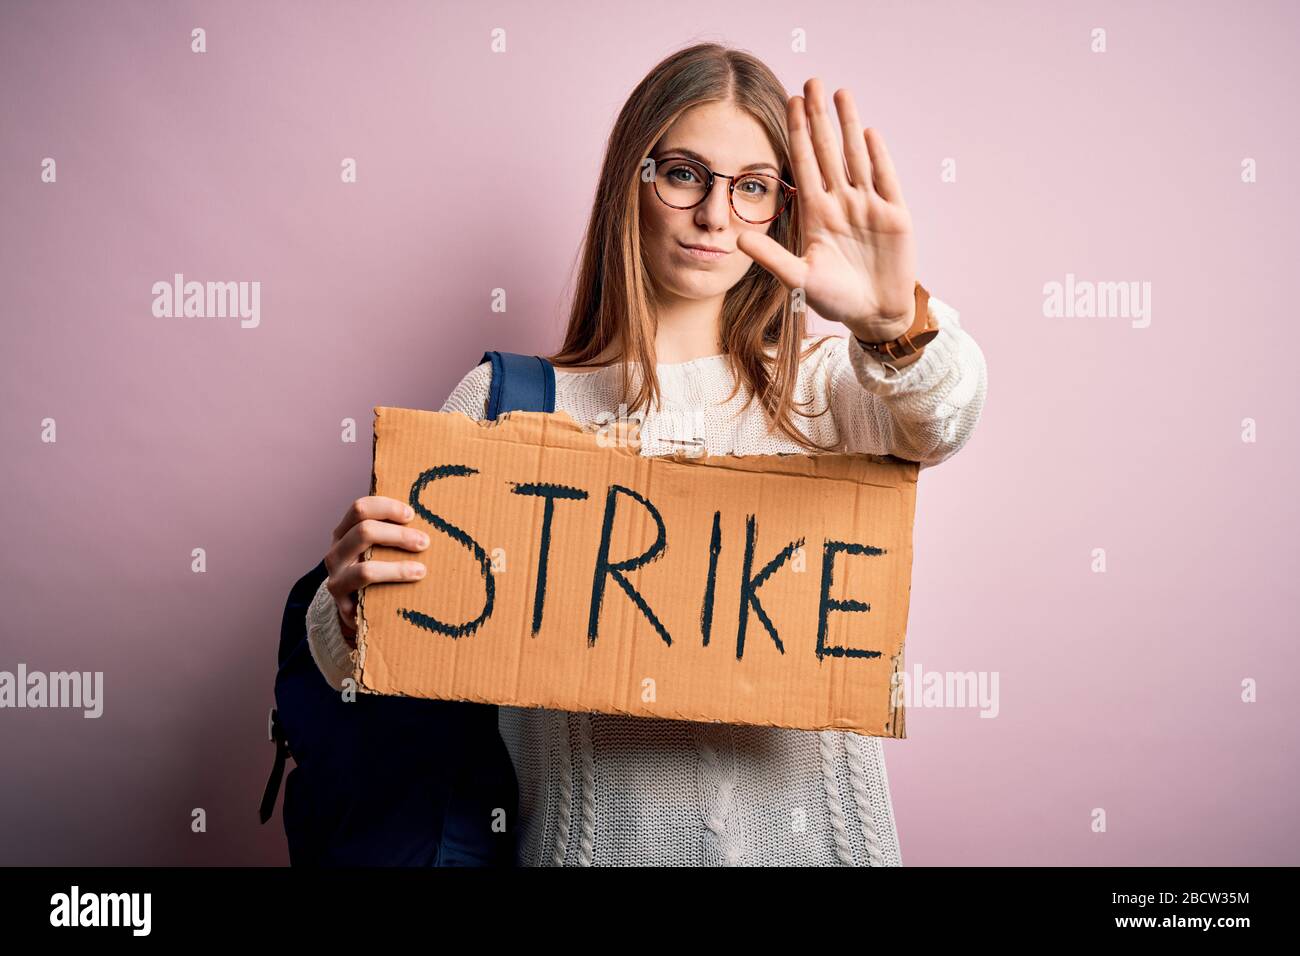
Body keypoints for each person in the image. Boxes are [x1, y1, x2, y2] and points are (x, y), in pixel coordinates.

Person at [305, 42, 987, 866]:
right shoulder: (507, 405)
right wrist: (349, 605)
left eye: (753, 188)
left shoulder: (837, 385)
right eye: (685, 174)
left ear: (782, 208)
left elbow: (948, 414)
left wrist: (889, 326)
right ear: (632, 180)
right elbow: (364, 661)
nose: (715, 216)